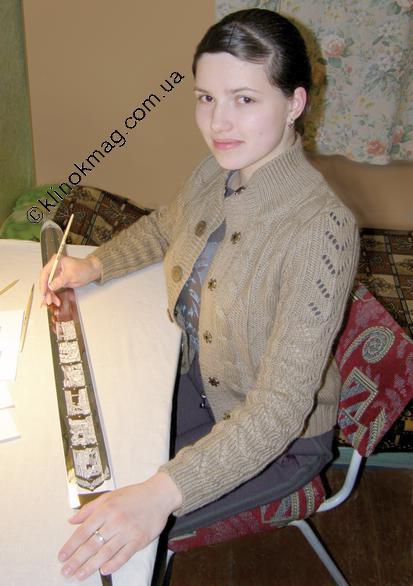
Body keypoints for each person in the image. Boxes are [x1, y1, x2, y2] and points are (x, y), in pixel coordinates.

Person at [39, 8, 360, 581]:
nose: (217, 122)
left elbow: (279, 409)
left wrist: (163, 494)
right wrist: (93, 265)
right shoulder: (217, 171)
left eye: (244, 99)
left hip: (279, 437)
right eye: (205, 98)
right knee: (80, 459)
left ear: (295, 103)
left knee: (117, 537)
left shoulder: (320, 229)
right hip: (196, 379)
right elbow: (166, 225)